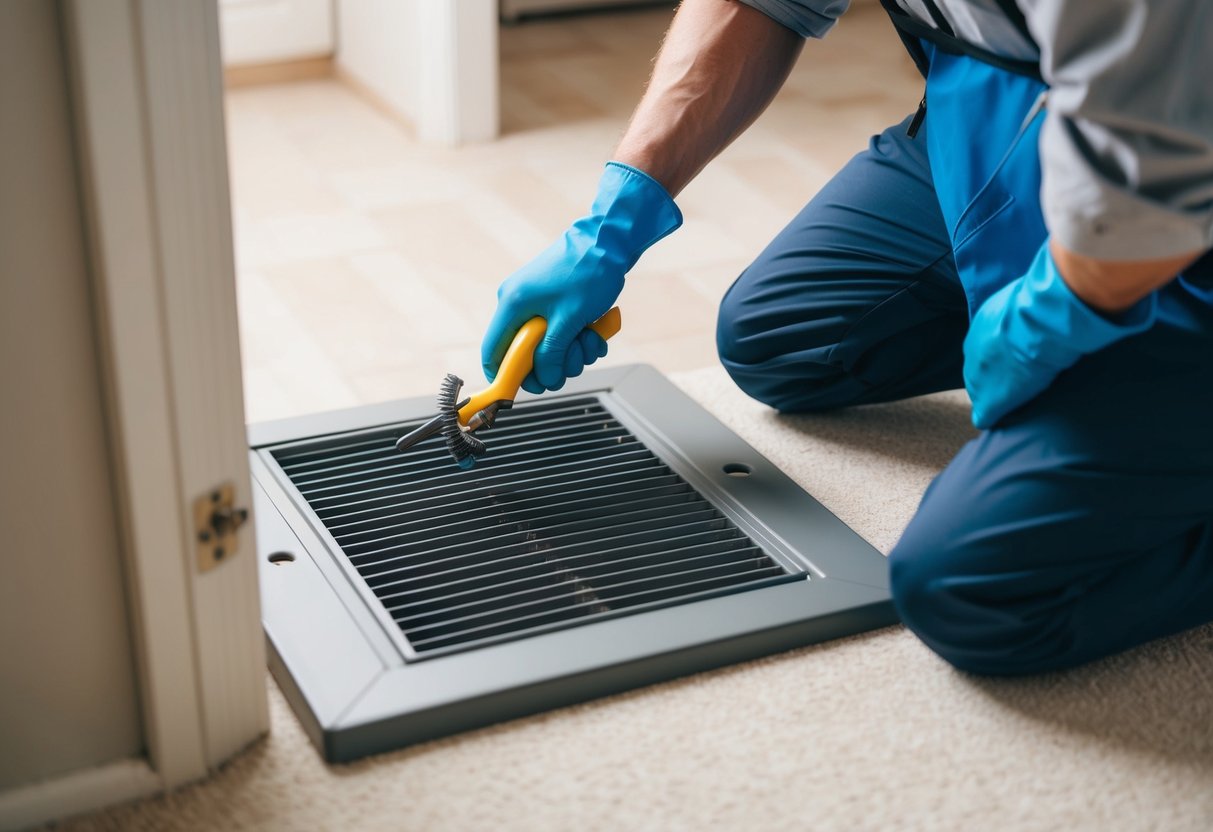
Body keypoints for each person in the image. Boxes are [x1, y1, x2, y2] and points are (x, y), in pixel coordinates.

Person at [479, 0, 1213, 675]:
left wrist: (1038, 324)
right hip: (996, 119)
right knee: (782, 338)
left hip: (1175, 182)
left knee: (969, 587)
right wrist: (613, 220)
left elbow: (1151, 180)